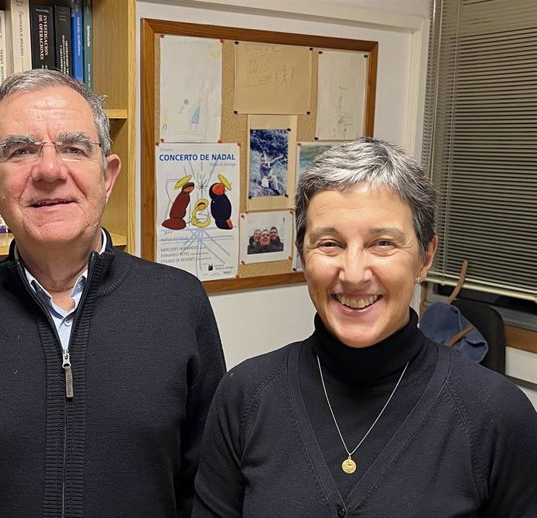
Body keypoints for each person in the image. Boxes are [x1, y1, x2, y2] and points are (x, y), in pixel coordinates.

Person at [0, 69, 226, 517]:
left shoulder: (178, 305)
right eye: (20, 151)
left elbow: (210, 492)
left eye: (74, 148)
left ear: (108, 175)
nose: (50, 170)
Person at [193, 137, 537, 517]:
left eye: (383, 243)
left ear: (425, 258)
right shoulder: (245, 397)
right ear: (302, 254)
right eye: (329, 244)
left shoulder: (497, 415)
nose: (353, 273)